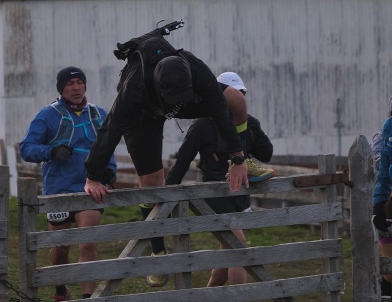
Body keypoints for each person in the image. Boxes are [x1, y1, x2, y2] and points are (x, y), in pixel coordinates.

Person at [83, 27, 268, 287]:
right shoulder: (133, 90)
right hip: (144, 113)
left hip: (186, 97)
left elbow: (219, 110)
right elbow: (109, 131)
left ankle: (243, 161)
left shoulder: (199, 71)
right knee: (151, 181)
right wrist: (93, 176)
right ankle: (157, 250)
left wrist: (237, 158)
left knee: (233, 98)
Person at [165, 72, 275, 287]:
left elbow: (267, 154)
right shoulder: (203, 125)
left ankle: (210, 294)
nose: (238, 99)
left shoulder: (249, 123)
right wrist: (167, 193)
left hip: (240, 196)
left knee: (229, 248)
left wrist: (255, 128)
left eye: (241, 94)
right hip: (214, 196)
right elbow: (182, 160)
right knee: (237, 247)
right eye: (235, 94)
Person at [20, 66, 117, 301]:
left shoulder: (99, 114)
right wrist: (52, 151)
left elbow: (107, 147)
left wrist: (110, 172)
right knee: (61, 248)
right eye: (70, 84)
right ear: (61, 89)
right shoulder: (47, 115)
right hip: (58, 190)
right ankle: (60, 286)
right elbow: (26, 148)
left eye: (79, 83)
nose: (76, 88)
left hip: (90, 188)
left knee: (87, 245)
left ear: (85, 85)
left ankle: (86, 296)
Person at [372, 95, 392, 296]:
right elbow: (384, 169)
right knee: (389, 271)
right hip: (389, 200)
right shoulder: (388, 128)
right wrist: (378, 203)